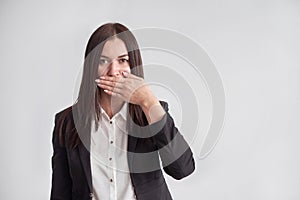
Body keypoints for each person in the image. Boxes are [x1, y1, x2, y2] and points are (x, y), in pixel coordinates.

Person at [50, 22, 195, 200]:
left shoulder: (150, 113)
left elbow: (183, 169)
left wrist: (148, 101)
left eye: (122, 60)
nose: (113, 71)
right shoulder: (67, 121)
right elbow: (60, 192)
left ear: (133, 64)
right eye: (103, 61)